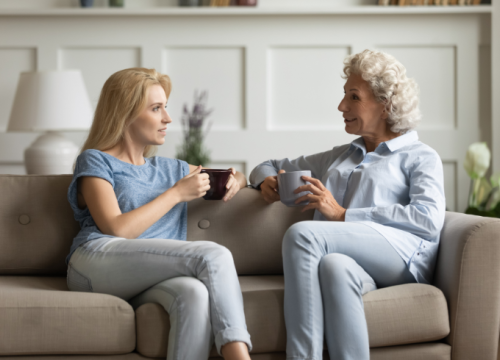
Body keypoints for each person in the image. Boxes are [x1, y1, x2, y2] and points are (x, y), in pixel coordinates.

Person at [249, 49, 445, 360]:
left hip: (403, 257)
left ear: (386, 104)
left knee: (304, 234)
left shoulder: (420, 156)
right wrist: (266, 181)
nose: (341, 106)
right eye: (344, 96)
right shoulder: (341, 155)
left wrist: (343, 215)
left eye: (353, 97)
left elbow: (428, 219)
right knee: (334, 267)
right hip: (348, 258)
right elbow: (268, 164)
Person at [66, 68, 252, 360]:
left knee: (194, 294)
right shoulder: (95, 160)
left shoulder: (169, 168)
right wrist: (176, 193)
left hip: (148, 275)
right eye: (156, 108)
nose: (168, 118)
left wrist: (236, 181)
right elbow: (117, 228)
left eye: (166, 107)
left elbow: (235, 173)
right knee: (213, 255)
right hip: (95, 262)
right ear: (125, 113)